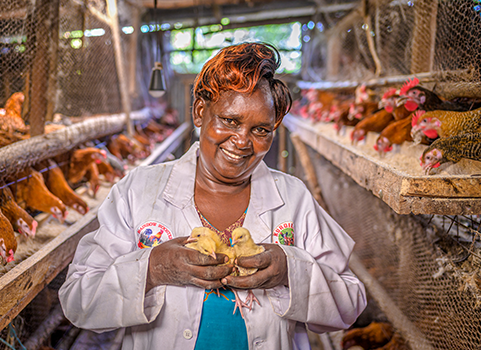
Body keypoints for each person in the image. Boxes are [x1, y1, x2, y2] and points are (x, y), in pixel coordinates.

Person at [59, 42, 366, 350]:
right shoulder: (139, 190)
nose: (242, 141)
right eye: (229, 121)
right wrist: (152, 269)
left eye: (261, 130)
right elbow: (77, 299)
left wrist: (291, 271)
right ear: (200, 112)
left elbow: (349, 304)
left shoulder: (293, 198)